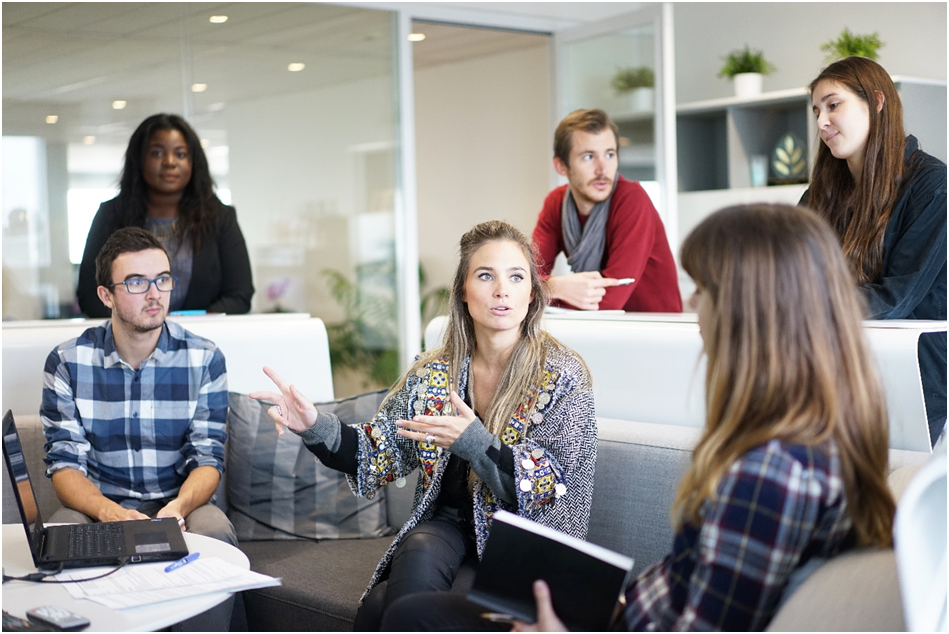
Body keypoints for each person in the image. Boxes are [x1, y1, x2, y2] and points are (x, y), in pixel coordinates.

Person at [379, 203, 896, 632]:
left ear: (749, 311)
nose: (693, 306)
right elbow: (695, 584)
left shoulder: (771, 473)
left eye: (705, 290)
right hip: (622, 613)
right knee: (401, 610)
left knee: (410, 618)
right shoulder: (804, 441)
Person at [250, 220, 597, 631]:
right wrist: (312, 425)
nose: (502, 289)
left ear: (532, 294)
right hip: (448, 527)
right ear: (464, 293)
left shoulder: (562, 374)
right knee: (417, 547)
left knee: (382, 606)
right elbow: (375, 451)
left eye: (516, 276)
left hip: (524, 544)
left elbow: (550, 486)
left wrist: (474, 443)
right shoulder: (434, 372)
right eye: (485, 275)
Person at [42, 227, 236, 547]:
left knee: (215, 533)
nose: (154, 294)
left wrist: (177, 508)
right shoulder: (67, 361)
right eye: (136, 282)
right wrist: (109, 512)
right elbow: (64, 464)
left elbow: (207, 458)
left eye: (162, 279)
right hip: (98, 503)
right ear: (106, 295)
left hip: (179, 501)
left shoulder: (204, 358)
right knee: (58, 536)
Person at [800, 56, 947, 447]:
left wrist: (800, 305)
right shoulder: (819, 196)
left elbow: (896, 297)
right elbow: (789, 273)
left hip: (916, 377)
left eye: (833, 105)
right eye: (817, 111)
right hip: (838, 367)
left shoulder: (933, 186)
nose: (821, 122)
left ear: (877, 102)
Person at [76, 113, 254, 317]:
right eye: (157, 153)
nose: (170, 162)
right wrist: (144, 323)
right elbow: (90, 296)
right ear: (139, 159)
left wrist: (186, 326)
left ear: (194, 162)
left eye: (180, 154)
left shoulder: (221, 218)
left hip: (202, 341)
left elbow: (239, 295)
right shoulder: (111, 216)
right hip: (130, 344)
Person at [531, 108, 681, 312]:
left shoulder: (632, 200)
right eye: (588, 157)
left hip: (654, 332)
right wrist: (555, 286)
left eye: (609, 154)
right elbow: (524, 278)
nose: (603, 169)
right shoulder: (556, 203)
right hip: (599, 330)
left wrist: (542, 290)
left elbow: (609, 301)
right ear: (561, 166)